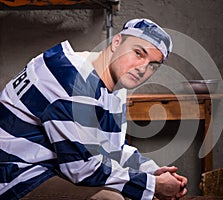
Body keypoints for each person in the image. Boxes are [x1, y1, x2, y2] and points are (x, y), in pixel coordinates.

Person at [0, 18, 188, 200]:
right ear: (116, 42)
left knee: (129, 190)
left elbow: (112, 149)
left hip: (49, 170)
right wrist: (153, 184)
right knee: (108, 198)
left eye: (152, 66)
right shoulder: (71, 77)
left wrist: (153, 171)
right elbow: (81, 168)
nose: (142, 68)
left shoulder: (112, 84)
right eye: (138, 53)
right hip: (14, 177)